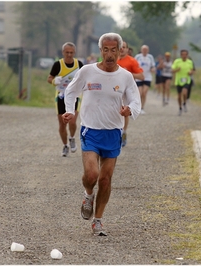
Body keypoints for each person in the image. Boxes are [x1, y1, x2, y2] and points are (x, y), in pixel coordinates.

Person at [62, 33, 141, 236]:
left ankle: (98, 221)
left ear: (120, 50)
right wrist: (70, 110)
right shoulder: (87, 71)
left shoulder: (125, 76)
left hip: (113, 132)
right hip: (90, 130)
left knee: (105, 180)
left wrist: (129, 110)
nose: (109, 54)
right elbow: (70, 91)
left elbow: (135, 101)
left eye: (113, 50)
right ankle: (88, 195)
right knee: (92, 175)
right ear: (100, 50)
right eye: (105, 50)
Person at [47, 42, 84, 157]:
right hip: (61, 96)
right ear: (63, 52)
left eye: (71, 52)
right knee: (62, 123)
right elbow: (49, 78)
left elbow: (86, 78)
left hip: (75, 96)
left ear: (74, 53)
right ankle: (65, 145)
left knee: (72, 121)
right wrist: (54, 81)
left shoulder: (79, 64)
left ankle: (72, 138)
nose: (69, 55)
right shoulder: (58, 64)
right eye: (67, 52)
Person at [117, 41, 144, 147]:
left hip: (126, 89)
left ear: (128, 49)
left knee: (124, 110)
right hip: (114, 88)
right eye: (120, 47)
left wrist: (127, 73)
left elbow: (141, 76)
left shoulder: (132, 61)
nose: (122, 49)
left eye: (124, 47)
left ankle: (123, 131)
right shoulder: (113, 60)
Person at [172, 49, 195, 115]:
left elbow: (192, 70)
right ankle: (180, 107)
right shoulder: (177, 61)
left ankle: (184, 103)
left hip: (187, 80)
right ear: (181, 55)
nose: (184, 56)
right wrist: (177, 70)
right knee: (179, 96)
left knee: (184, 93)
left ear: (187, 55)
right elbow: (172, 70)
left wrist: (191, 72)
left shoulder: (190, 62)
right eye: (183, 55)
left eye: (186, 54)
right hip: (178, 81)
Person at [134, 45, 156, 114]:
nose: (144, 51)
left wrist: (153, 69)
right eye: (143, 50)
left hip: (147, 77)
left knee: (144, 93)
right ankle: (138, 107)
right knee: (139, 93)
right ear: (141, 50)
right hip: (139, 77)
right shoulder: (138, 57)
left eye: (146, 50)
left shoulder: (150, 57)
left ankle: (142, 108)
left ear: (148, 51)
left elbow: (153, 66)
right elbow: (134, 65)